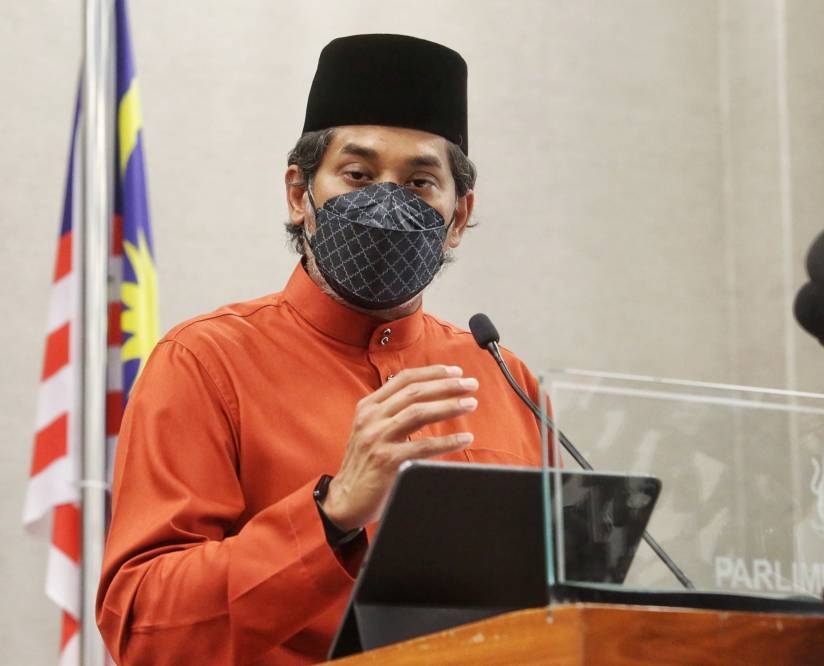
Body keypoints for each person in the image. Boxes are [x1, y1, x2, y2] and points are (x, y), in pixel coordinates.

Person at [97, 34, 542, 665]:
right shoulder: (204, 363)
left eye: (419, 183)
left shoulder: (504, 376)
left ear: (458, 216)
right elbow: (142, 629)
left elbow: (558, 599)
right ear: (299, 194)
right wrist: (331, 517)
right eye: (358, 175)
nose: (387, 205)